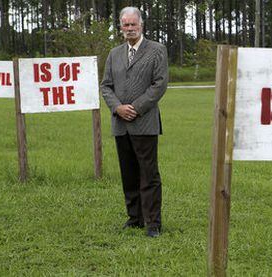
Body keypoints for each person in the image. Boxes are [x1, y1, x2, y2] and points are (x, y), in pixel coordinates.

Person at [100, 6, 168, 238]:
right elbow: (106, 86)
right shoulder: (114, 54)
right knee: (128, 173)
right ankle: (135, 218)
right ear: (121, 27)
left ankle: (153, 223)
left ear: (141, 25)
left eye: (133, 24)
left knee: (149, 174)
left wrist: (135, 108)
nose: (129, 28)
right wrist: (117, 108)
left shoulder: (157, 50)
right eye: (125, 25)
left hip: (145, 123)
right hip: (120, 124)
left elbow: (159, 85)